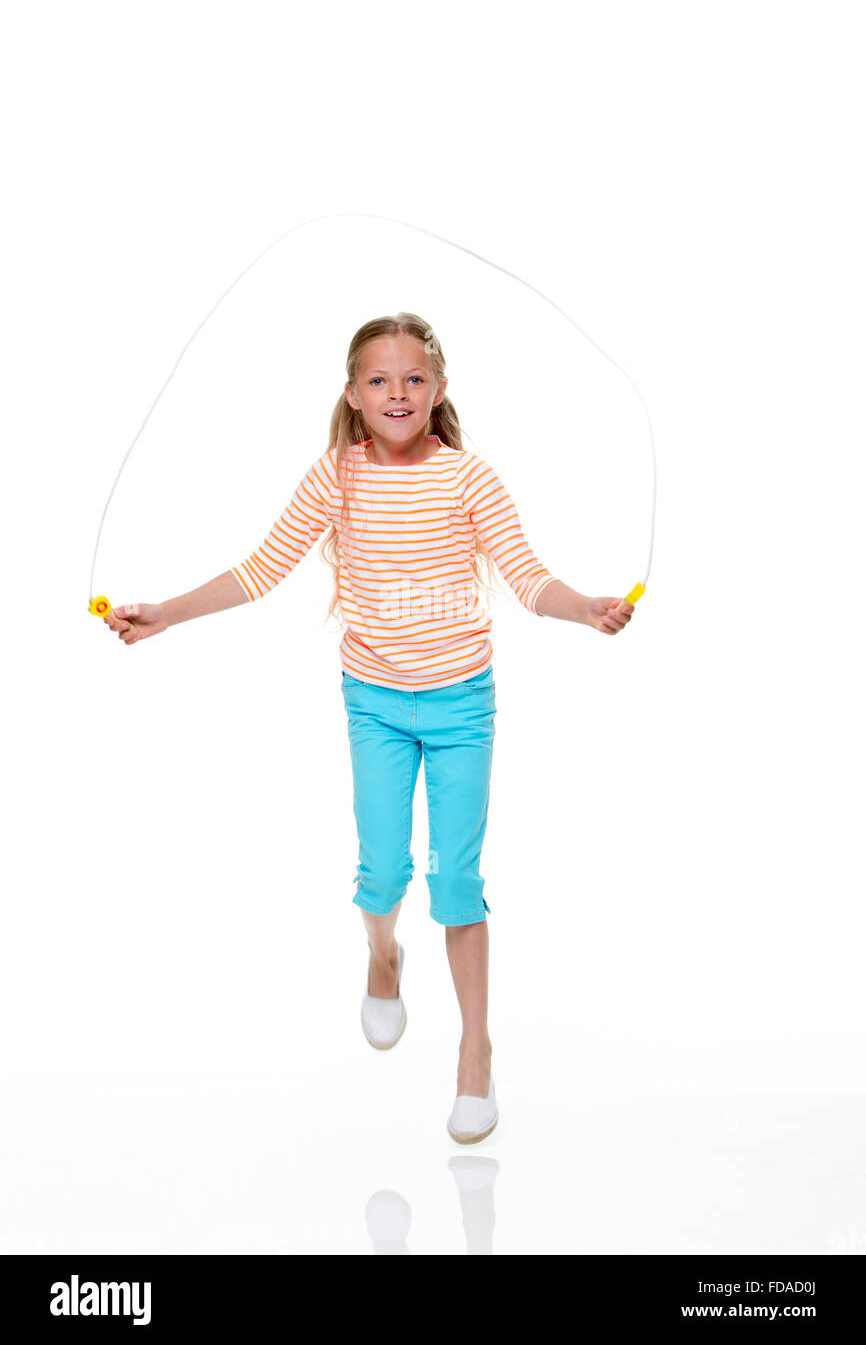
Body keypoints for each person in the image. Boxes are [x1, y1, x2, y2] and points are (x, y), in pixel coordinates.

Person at [104, 312, 635, 1144]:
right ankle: (383, 953)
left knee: (455, 881)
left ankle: (475, 1053)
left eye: (413, 379)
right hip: (375, 704)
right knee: (382, 873)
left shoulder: (469, 479)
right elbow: (258, 569)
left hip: (463, 706)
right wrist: (165, 614)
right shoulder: (337, 477)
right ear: (353, 396)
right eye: (379, 381)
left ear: (440, 389)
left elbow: (530, 579)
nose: (398, 394)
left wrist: (586, 609)